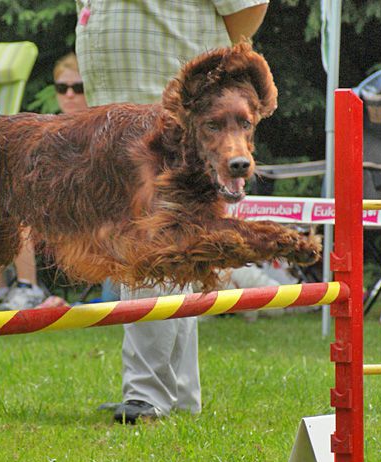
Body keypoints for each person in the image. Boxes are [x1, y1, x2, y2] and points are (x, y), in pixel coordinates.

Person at [75, 0, 269, 424]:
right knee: (170, 251)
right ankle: (177, 393)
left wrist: (205, 73)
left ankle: (147, 394)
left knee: (155, 247)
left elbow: (248, 7)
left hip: (174, 112)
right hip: (121, 116)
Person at [0, 52, 88, 310]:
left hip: (82, 212)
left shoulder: (96, 127)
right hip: (46, 207)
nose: (69, 95)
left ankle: (27, 288)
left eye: (77, 88)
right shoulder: (48, 127)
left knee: (17, 212)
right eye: (62, 88)